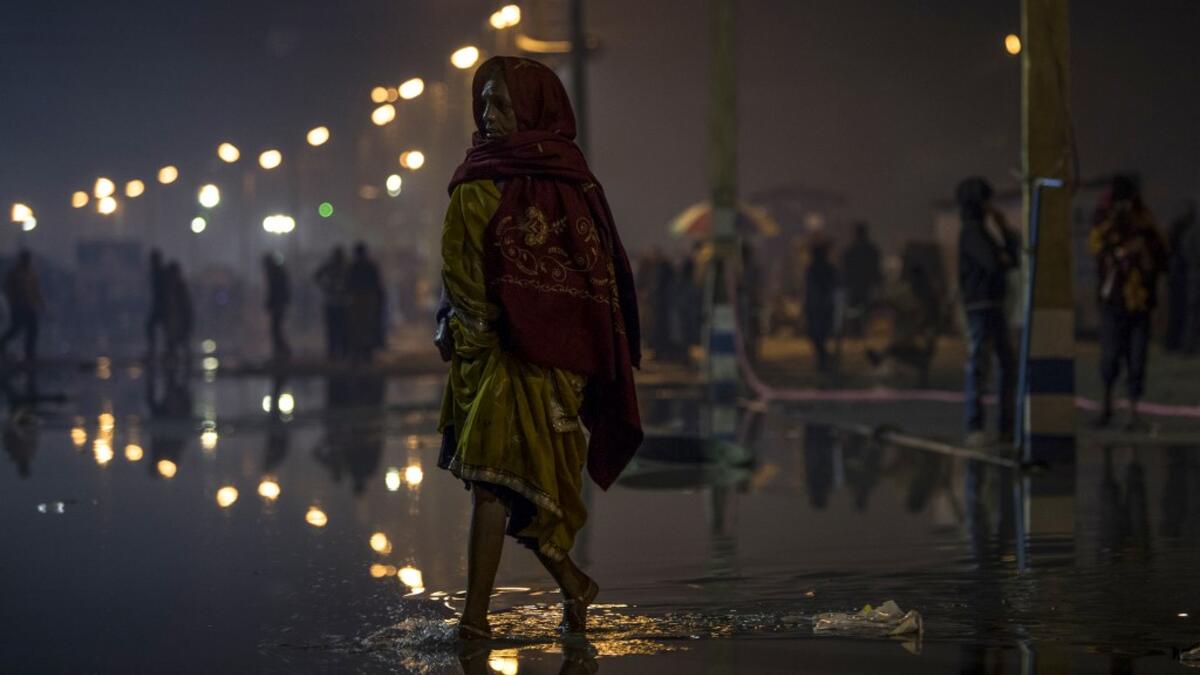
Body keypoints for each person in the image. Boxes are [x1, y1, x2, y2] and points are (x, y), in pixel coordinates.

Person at [434, 56, 641, 640]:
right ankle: (570, 586)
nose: (488, 115)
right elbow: (456, 272)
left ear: (533, 108)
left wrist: (569, 352)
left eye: (501, 103)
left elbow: (591, 279)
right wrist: (455, 322)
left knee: (500, 485)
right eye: (483, 103)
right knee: (504, 486)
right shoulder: (476, 179)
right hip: (489, 356)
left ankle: (475, 623)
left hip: (543, 366)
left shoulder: (570, 183)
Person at [1089, 174, 1168, 429]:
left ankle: (1133, 412)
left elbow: (1161, 257)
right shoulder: (1104, 222)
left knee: (1136, 359)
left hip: (1140, 303)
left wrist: (1141, 249)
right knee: (1110, 358)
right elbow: (1098, 251)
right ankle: (1107, 407)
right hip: (1114, 303)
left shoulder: (1145, 222)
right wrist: (1118, 250)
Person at [955, 177, 1018, 446]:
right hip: (980, 305)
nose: (991, 205)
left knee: (1005, 364)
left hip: (992, 303)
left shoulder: (983, 231)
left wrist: (1004, 229)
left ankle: (1005, 426)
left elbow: (1011, 259)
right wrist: (1001, 255)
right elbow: (994, 263)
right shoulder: (971, 232)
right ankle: (975, 426)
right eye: (987, 199)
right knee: (979, 365)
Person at [0, 250, 43, 363]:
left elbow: (35, 290)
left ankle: (29, 354)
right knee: (16, 329)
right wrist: (13, 301)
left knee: (32, 330)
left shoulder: (31, 273)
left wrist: (40, 303)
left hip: (29, 306)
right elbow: (7, 289)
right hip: (19, 307)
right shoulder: (15, 274)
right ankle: (2, 346)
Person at [841, 222, 883, 338]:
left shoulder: (850, 250)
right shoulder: (871, 250)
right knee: (863, 309)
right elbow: (876, 268)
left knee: (855, 310)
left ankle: (856, 331)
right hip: (864, 285)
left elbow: (845, 269)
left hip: (856, 286)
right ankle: (860, 331)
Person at [1165, 202, 1196, 352]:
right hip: (1182, 275)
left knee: (1180, 311)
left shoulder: (1181, 230)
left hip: (1180, 275)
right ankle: (1180, 344)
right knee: (1184, 311)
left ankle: (1175, 343)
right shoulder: (1185, 232)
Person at [347, 242, 385, 362]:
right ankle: (366, 352)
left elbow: (349, 284)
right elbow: (377, 284)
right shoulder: (370, 266)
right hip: (368, 299)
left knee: (358, 326)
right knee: (367, 326)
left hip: (359, 298)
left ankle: (359, 351)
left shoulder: (354, 267)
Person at [804, 241, 838, 373]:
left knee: (817, 335)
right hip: (823, 305)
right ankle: (823, 358)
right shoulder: (829, 268)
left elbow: (809, 289)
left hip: (817, 306)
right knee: (820, 335)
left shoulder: (813, 268)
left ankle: (823, 358)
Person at [314, 246, 350, 360]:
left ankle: (341, 351)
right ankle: (335, 351)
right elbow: (317, 276)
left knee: (341, 328)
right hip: (334, 301)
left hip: (342, 302)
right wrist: (326, 287)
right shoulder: (332, 266)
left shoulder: (345, 267)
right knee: (335, 328)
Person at [162, 262, 193, 364]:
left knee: (181, 344)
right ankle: (174, 363)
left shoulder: (179, 287)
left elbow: (185, 306)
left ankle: (184, 364)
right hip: (175, 321)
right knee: (173, 344)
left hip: (180, 321)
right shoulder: (170, 287)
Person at [262, 253, 291, 359]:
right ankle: (280, 350)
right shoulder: (277, 272)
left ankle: (282, 350)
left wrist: (272, 303)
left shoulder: (275, 273)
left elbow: (275, 290)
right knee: (276, 328)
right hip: (279, 304)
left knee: (276, 328)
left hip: (279, 305)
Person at [1183, 205, 1200, 355]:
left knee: (1192, 314)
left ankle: (1190, 345)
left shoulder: (1190, 233)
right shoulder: (1192, 233)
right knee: (1193, 313)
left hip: (1194, 276)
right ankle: (1189, 345)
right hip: (1195, 276)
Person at [146, 249, 166, 359]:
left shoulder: (158, 273)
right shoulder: (156, 272)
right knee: (154, 327)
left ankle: (154, 350)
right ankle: (155, 350)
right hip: (160, 305)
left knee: (152, 327)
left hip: (162, 306)